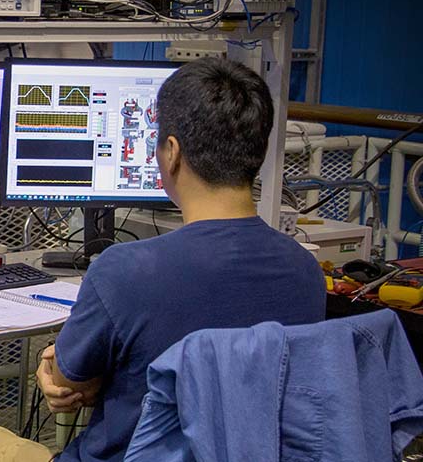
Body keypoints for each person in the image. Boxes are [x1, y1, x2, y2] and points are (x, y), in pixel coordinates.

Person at [36, 57, 326, 462]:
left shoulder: (123, 271)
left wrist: (50, 360)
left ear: (171, 152)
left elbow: (69, 384)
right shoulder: (306, 271)